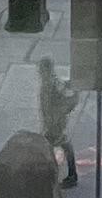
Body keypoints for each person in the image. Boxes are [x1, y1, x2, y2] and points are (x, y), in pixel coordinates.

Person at [37, 55, 80, 186]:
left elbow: (63, 100)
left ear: (47, 69)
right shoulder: (49, 83)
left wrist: (55, 119)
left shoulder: (53, 84)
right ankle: (69, 175)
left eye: (41, 69)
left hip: (55, 123)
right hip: (52, 122)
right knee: (61, 145)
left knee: (49, 146)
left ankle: (61, 176)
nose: (39, 72)